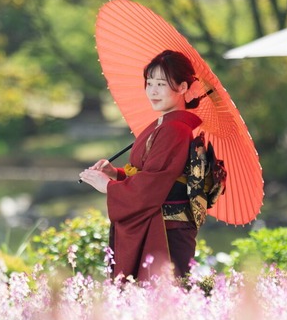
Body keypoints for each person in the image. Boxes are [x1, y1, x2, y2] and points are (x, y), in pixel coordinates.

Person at [79, 50, 202, 281]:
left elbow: (152, 184)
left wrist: (108, 187)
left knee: (161, 299)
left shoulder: (175, 129)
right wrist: (115, 174)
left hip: (166, 232)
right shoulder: (165, 125)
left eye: (161, 84)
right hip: (162, 225)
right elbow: (150, 174)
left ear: (184, 87)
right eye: (149, 83)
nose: (153, 91)